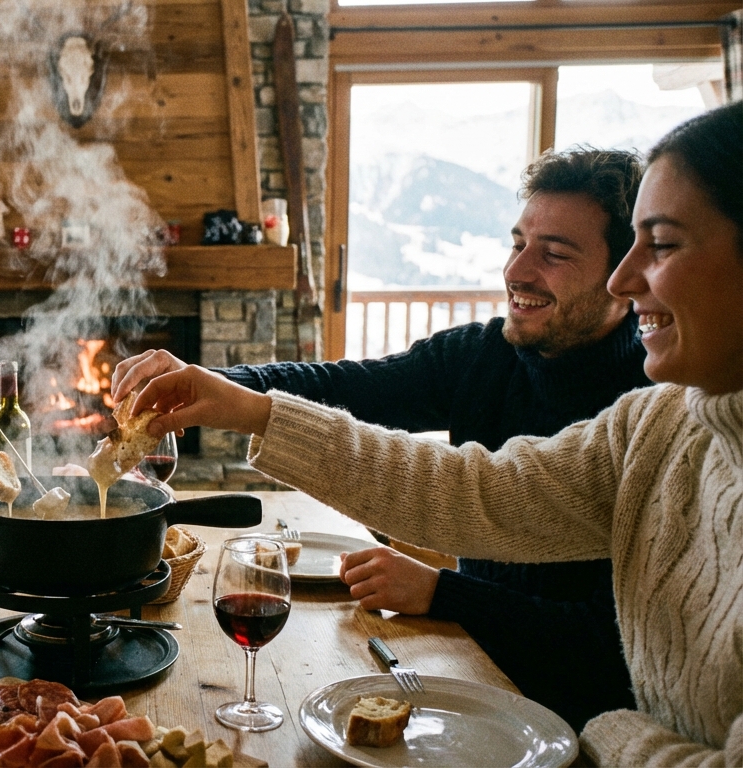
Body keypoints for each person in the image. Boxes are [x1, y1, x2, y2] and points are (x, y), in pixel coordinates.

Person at [123, 102, 743, 763]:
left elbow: (605, 659)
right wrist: (226, 393)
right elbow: (462, 487)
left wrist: (603, 732)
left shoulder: (648, 402)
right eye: (517, 243)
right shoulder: (657, 425)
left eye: (665, 244)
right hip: (509, 705)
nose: (517, 272)